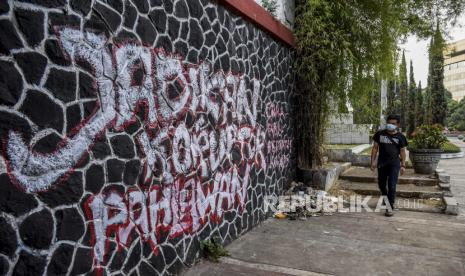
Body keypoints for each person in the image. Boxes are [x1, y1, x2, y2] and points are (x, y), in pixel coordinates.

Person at [370, 114, 408, 217]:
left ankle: (389, 207)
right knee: (381, 184)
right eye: (389, 123)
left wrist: (403, 165)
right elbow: (375, 148)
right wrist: (372, 161)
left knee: (392, 185)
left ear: (398, 124)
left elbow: (402, 151)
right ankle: (385, 197)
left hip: (394, 164)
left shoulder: (401, 137)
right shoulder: (380, 134)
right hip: (382, 163)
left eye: (393, 123)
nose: (390, 125)